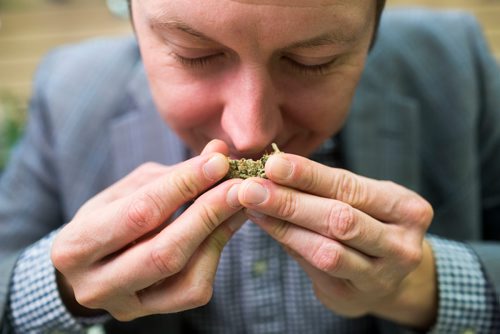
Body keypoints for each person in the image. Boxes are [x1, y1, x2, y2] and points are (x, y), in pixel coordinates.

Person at [1, 0, 499, 333]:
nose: (251, 132)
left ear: (371, 34)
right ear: (133, 21)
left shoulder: (456, 63)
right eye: (196, 55)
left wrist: (423, 283)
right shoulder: (67, 92)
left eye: (312, 60)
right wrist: (61, 288)